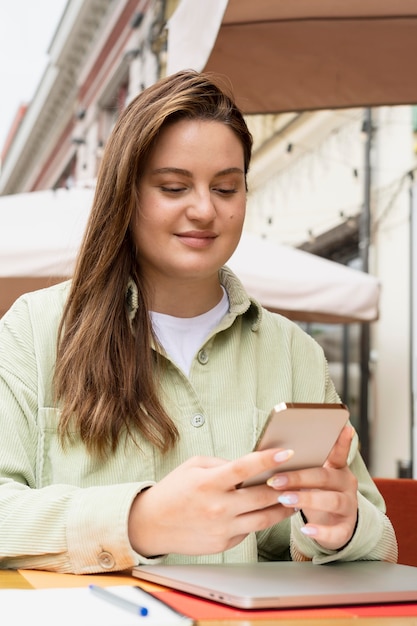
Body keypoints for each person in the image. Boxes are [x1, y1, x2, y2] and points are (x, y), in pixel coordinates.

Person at [0, 70, 397, 574]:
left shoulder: (295, 353)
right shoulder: (33, 333)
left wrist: (342, 527)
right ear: (127, 193)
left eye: (227, 188)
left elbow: (382, 546)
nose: (205, 210)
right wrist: (141, 519)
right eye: (173, 187)